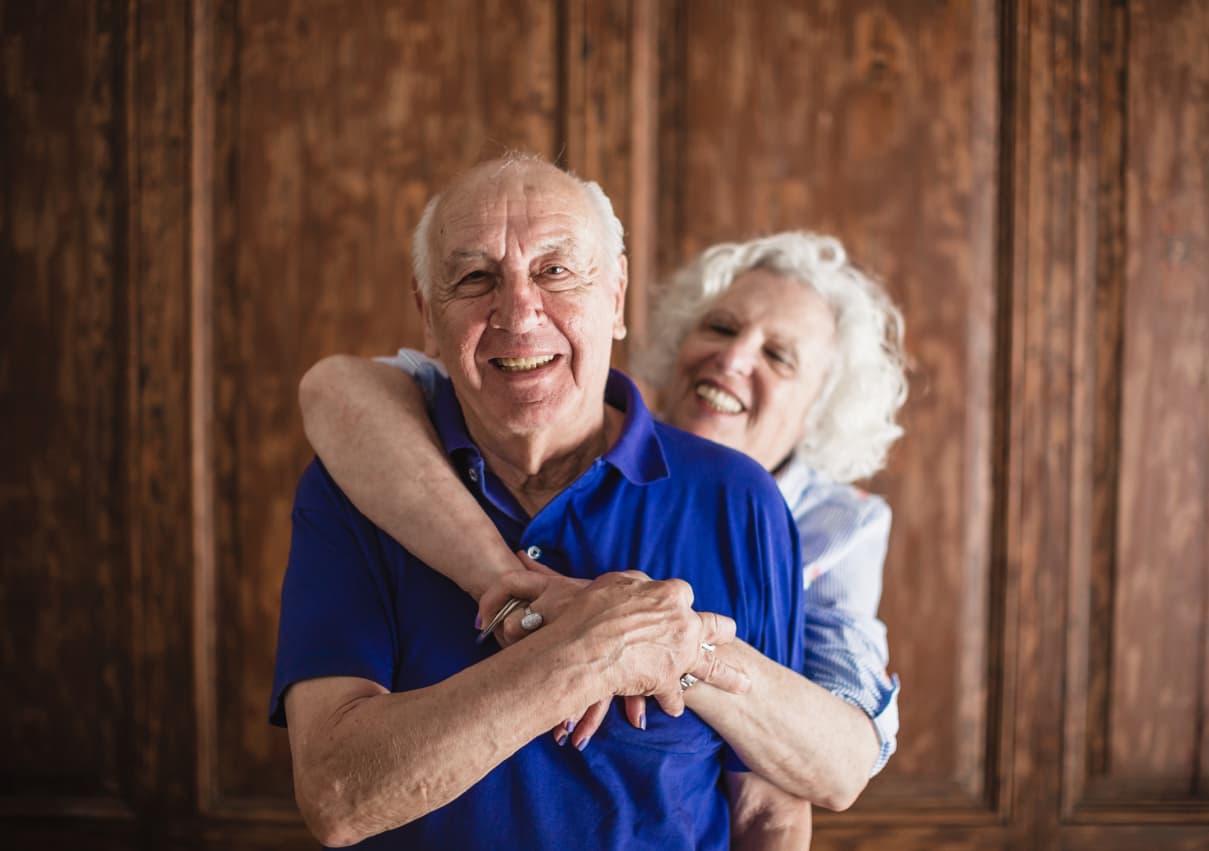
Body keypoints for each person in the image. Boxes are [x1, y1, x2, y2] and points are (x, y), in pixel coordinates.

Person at [271, 155, 811, 851]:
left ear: (615, 297)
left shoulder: (737, 498)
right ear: (428, 319)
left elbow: (768, 813)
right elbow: (337, 797)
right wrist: (587, 651)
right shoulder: (354, 486)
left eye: (556, 271)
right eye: (475, 278)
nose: (519, 312)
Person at [301, 230, 909, 812]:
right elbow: (338, 389)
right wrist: (524, 597)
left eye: (778, 356)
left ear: (821, 408)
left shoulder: (836, 522)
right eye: (720, 328)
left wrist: (666, 642)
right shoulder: (573, 406)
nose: (732, 358)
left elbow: (841, 762)